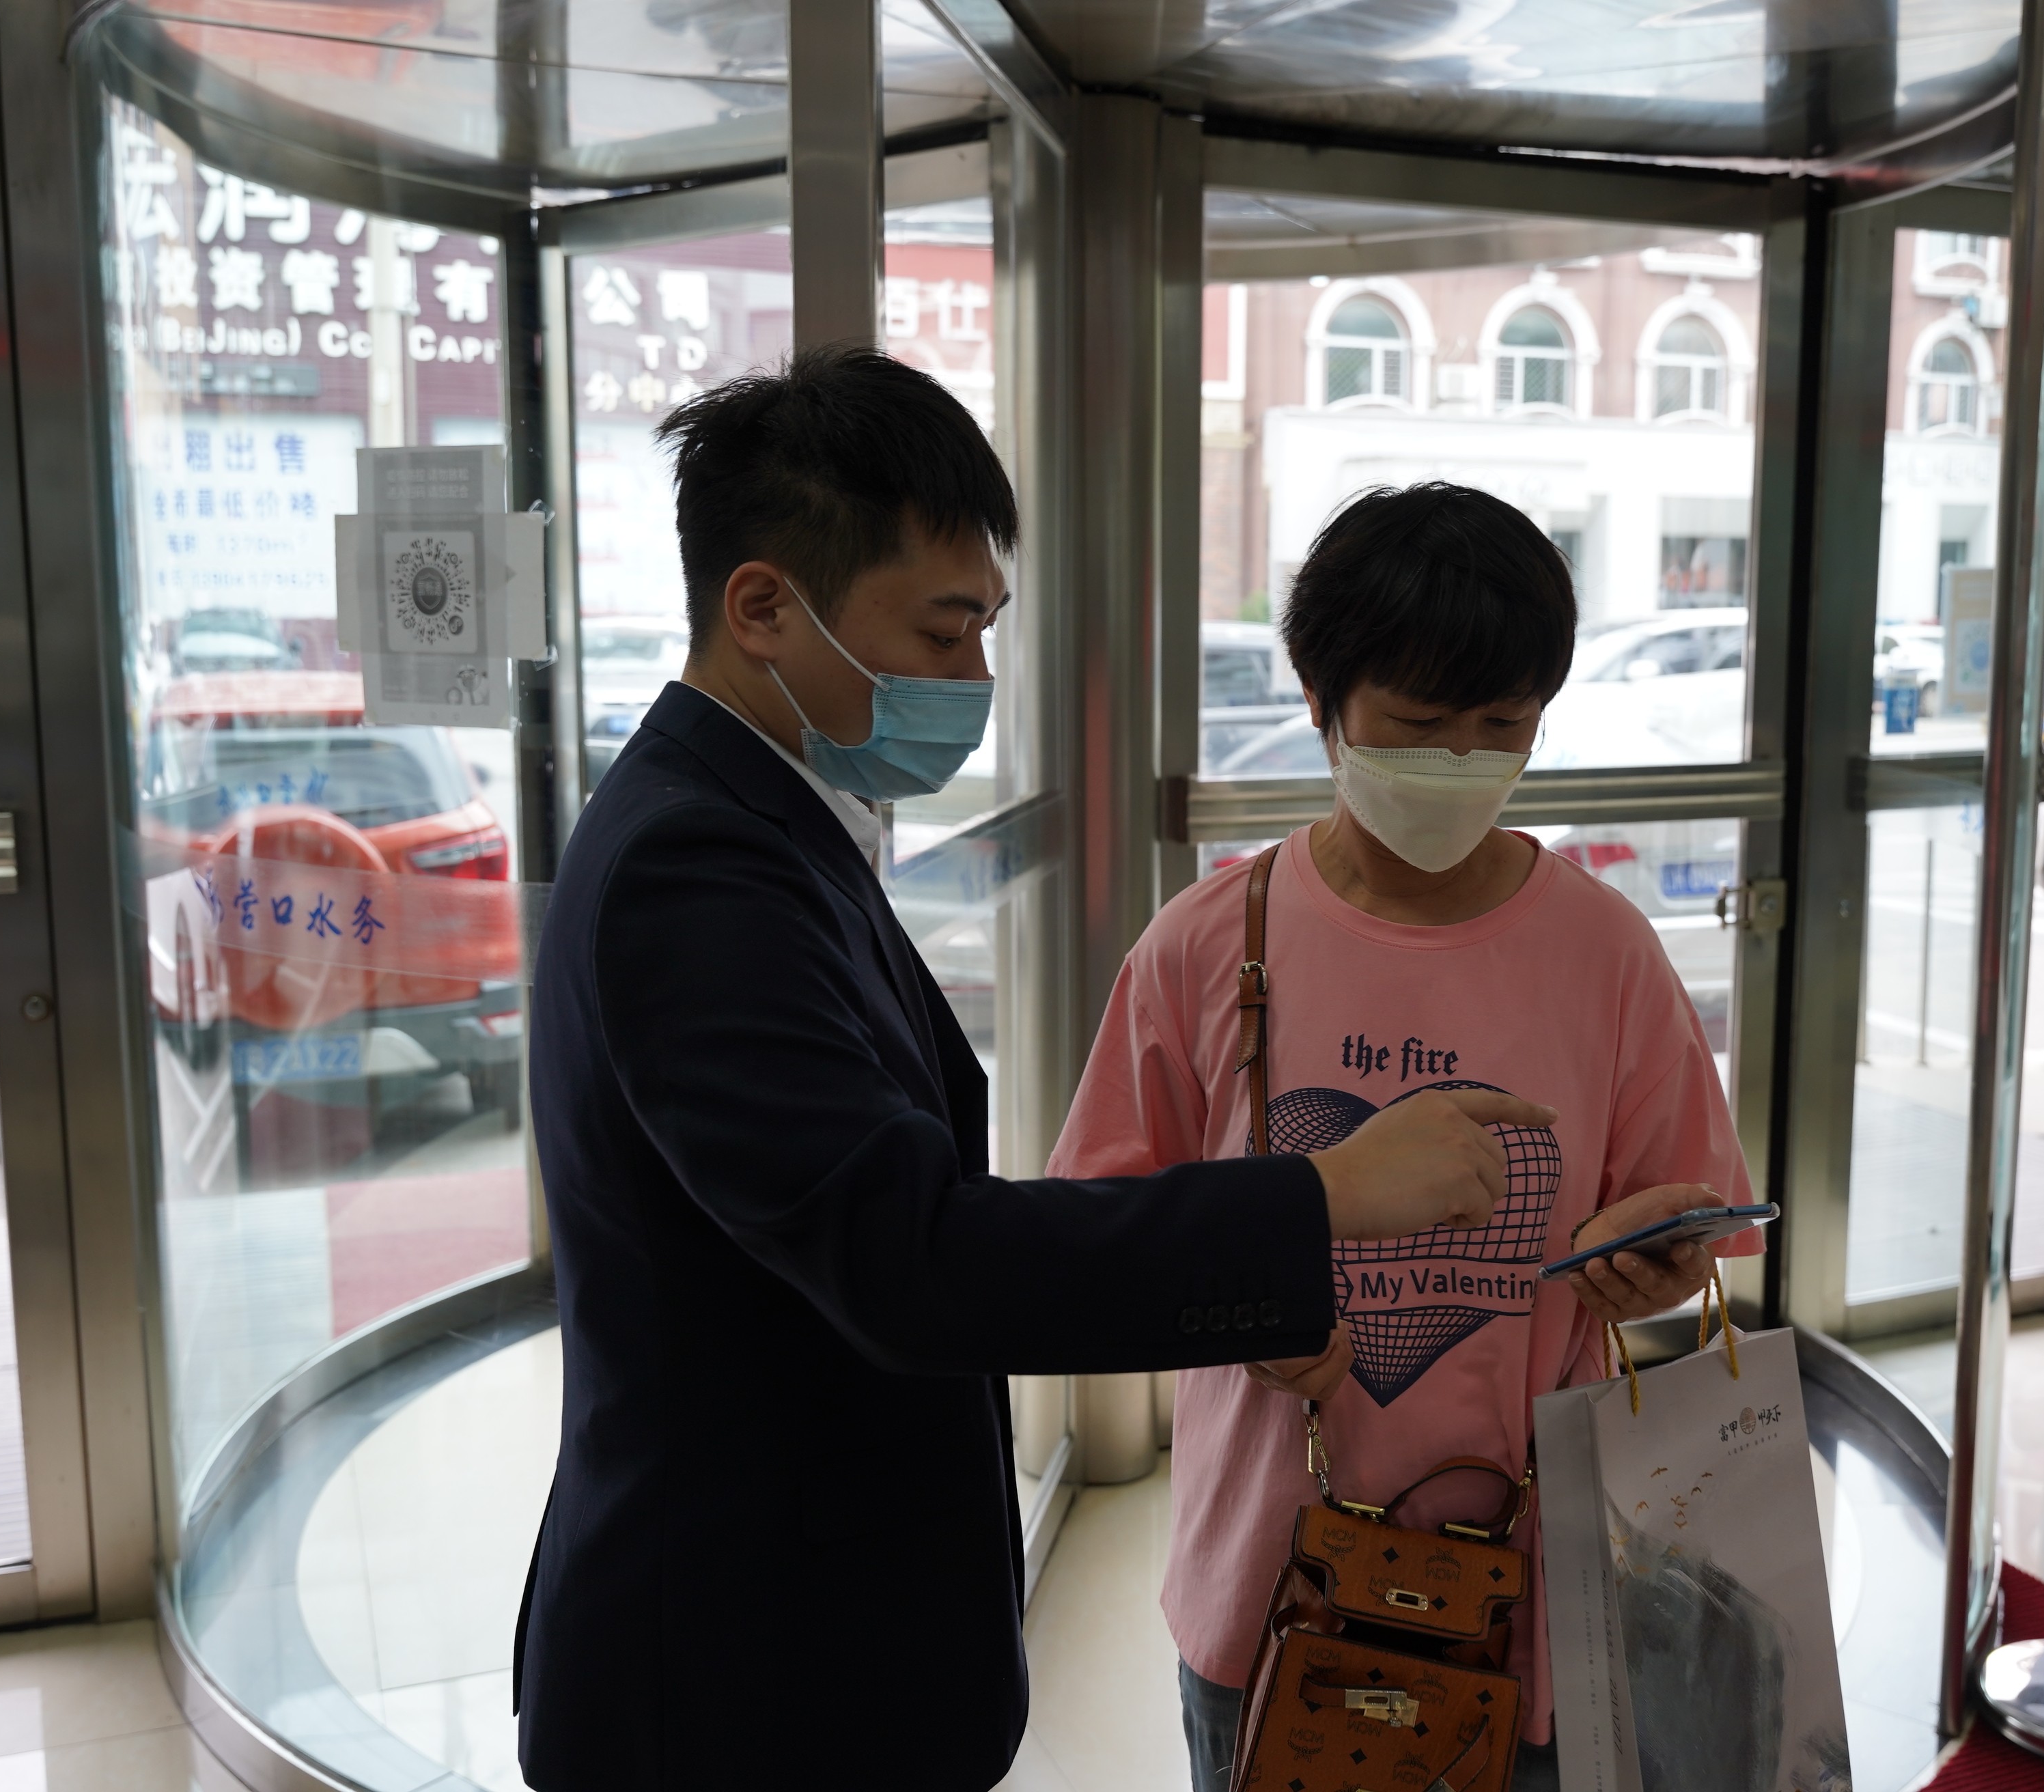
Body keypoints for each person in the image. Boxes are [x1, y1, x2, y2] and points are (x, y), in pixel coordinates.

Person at [512, 353, 1557, 1789]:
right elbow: (911, 1257)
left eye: (985, 630)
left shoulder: (764, 820)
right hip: (741, 1675)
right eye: (943, 631)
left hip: (788, 1634)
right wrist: (1324, 1200)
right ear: (762, 606)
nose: (974, 681)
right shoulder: (696, 868)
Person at [1048, 483, 1761, 1791]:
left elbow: (1689, 1219)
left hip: (1535, 1594)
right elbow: (1089, 1243)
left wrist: (1657, 1264)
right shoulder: (1210, 944)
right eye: (1421, 727)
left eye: (1502, 727)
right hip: (1274, 1583)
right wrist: (1239, 1307)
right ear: (1321, 702)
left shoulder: (1603, 950)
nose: (1461, 762)